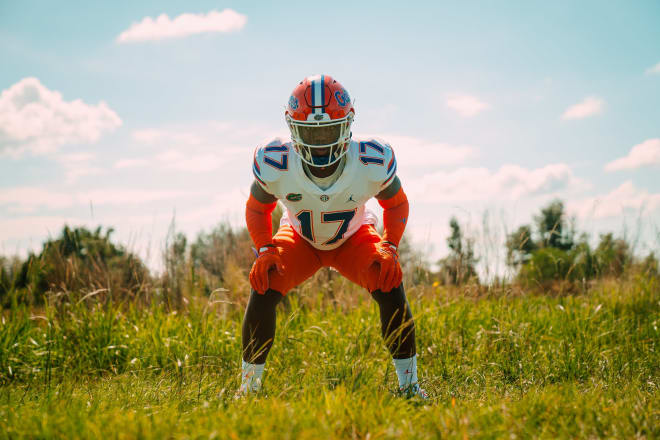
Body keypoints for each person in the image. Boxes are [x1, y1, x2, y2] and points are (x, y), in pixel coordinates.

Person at [240, 74, 426, 399]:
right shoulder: (277, 162)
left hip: (353, 237)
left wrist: (390, 246)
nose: (321, 142)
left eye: (329, 130)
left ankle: (409, 388)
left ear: (347, 125)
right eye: (312, 132)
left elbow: (396, 204)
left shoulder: (370, 160)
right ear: (293, 130)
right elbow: (257, 209)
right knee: (264, 282)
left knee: (388, 279)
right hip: (299, 238)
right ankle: (248, 390)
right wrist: (265, 248)